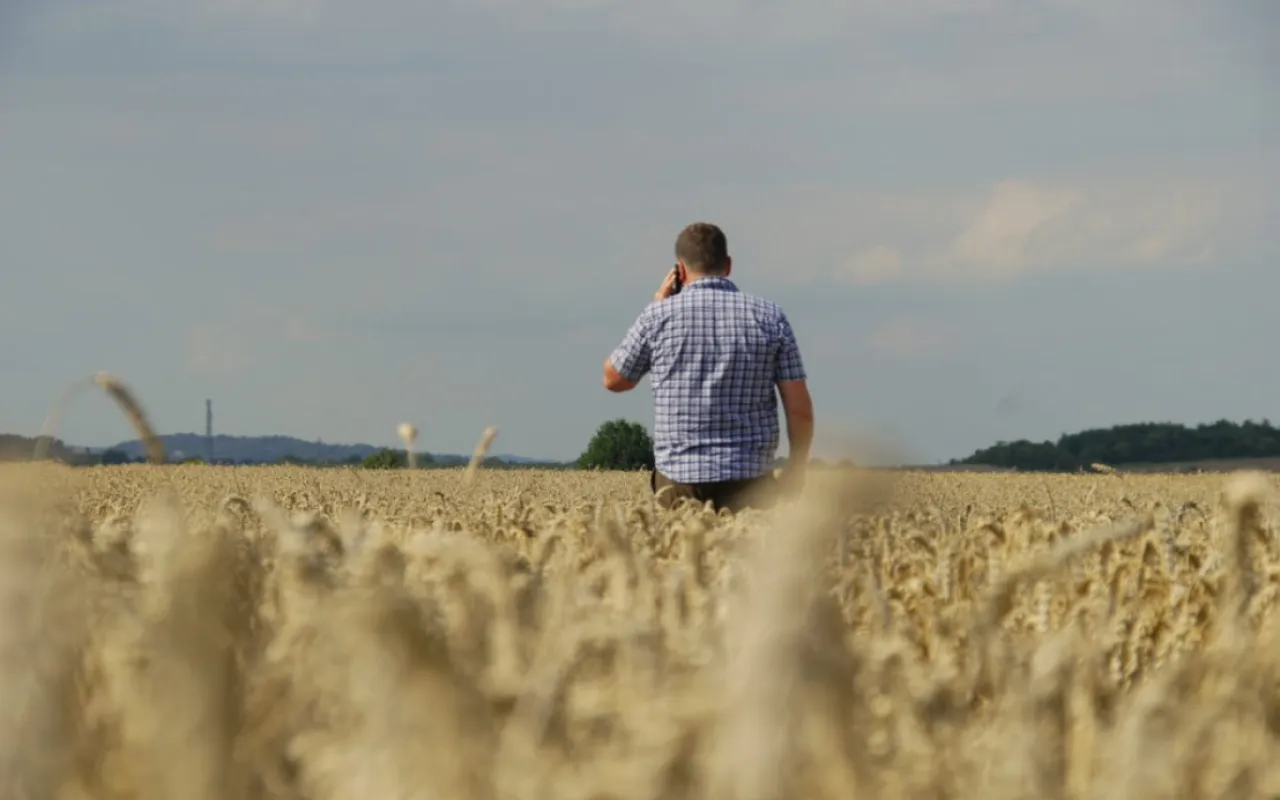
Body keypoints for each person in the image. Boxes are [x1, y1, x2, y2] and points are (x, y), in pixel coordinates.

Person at [601, 221, 815, 512]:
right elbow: (799, 408)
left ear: (680, 270)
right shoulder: (770, 317)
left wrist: (657, 305)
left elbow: (615, 379)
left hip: (677, 481)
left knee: (677, 557)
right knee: (750, 557)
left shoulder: (657, 317)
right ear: (727, 265)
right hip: (751, 480)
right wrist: (797, 468)